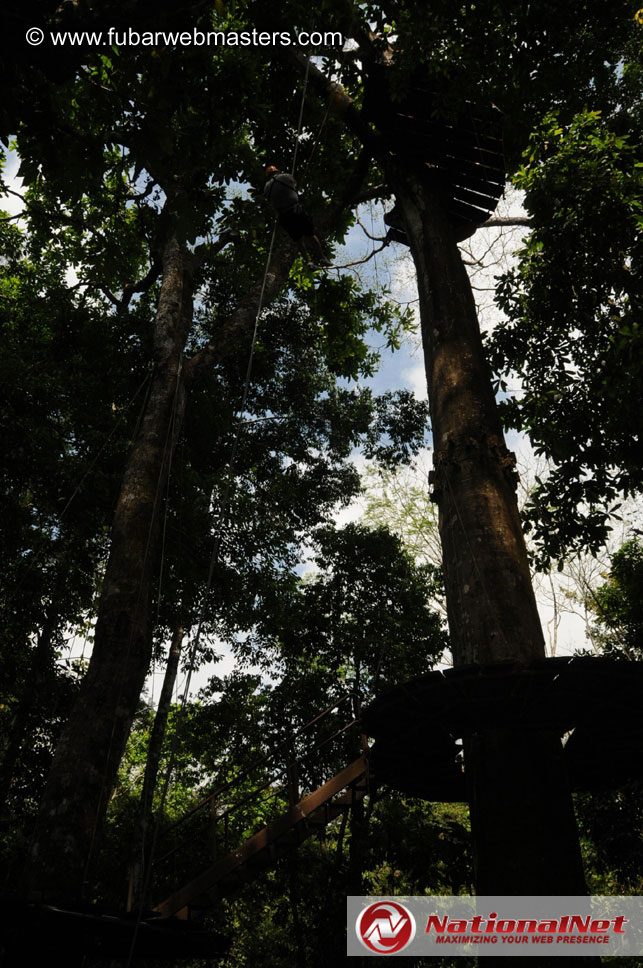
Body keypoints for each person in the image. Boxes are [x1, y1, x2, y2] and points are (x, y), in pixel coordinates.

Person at [263, 165, 330, 267]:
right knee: (310, 234)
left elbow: (268, 198)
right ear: (277, 171)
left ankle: (308, 262)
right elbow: (294, 182)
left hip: (283, 217)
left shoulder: (266, 187)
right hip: (294, 210)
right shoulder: (285, 176)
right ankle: (322, 258)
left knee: (298, 240)